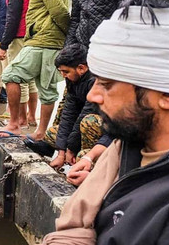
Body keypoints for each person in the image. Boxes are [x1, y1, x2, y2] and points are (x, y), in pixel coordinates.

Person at [42, 0, 169, 245]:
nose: (93, 94)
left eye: (107, 85)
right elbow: (73, 229)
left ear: (167, 94)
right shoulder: (126, 145)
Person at [0, 0, 70, 140]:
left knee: (12, 74)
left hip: (44, 40)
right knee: (45, 87)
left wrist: (67, 36)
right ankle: (39, 132)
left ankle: (16, 125)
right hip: (45, 40)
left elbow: (59, 12)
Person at [25, 45, 112, 179]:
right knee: (52, 133)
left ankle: (88, 162)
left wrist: (70, 149)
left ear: (82, 68)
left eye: (66, 72)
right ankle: (73, 156)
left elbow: (85, 113)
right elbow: (68, 114)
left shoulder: (96, 81)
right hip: (83, 129)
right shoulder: (74, 80)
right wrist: (61, 152)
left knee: (89, 122)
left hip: (105, 132)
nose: (63, 75)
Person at [0, 0, 38, 128]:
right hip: (33, 37)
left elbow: (12, 19)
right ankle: (32, 118)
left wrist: (4, 45)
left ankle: (19, 120)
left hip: (18, 36)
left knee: (16, 77)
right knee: (31, 80)